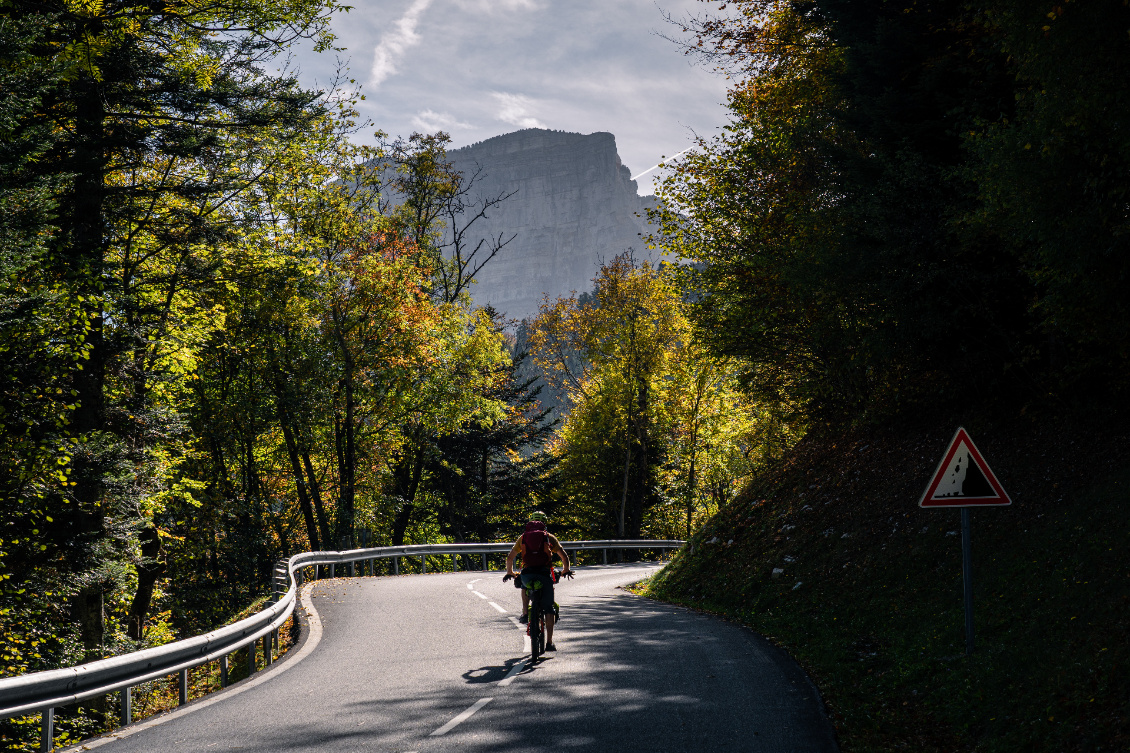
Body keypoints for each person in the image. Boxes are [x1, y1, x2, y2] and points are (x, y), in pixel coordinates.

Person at [505, 511, 571, 651]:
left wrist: (510, 573)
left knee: (523, 583)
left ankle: (524, 613)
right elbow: (564, 556)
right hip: (544, 573)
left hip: (528, 573)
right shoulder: (549, 537)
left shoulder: (523, 538)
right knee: (549, 608)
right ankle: (549, 642)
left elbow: (510, 557)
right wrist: (566, 570)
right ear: (544, 524)